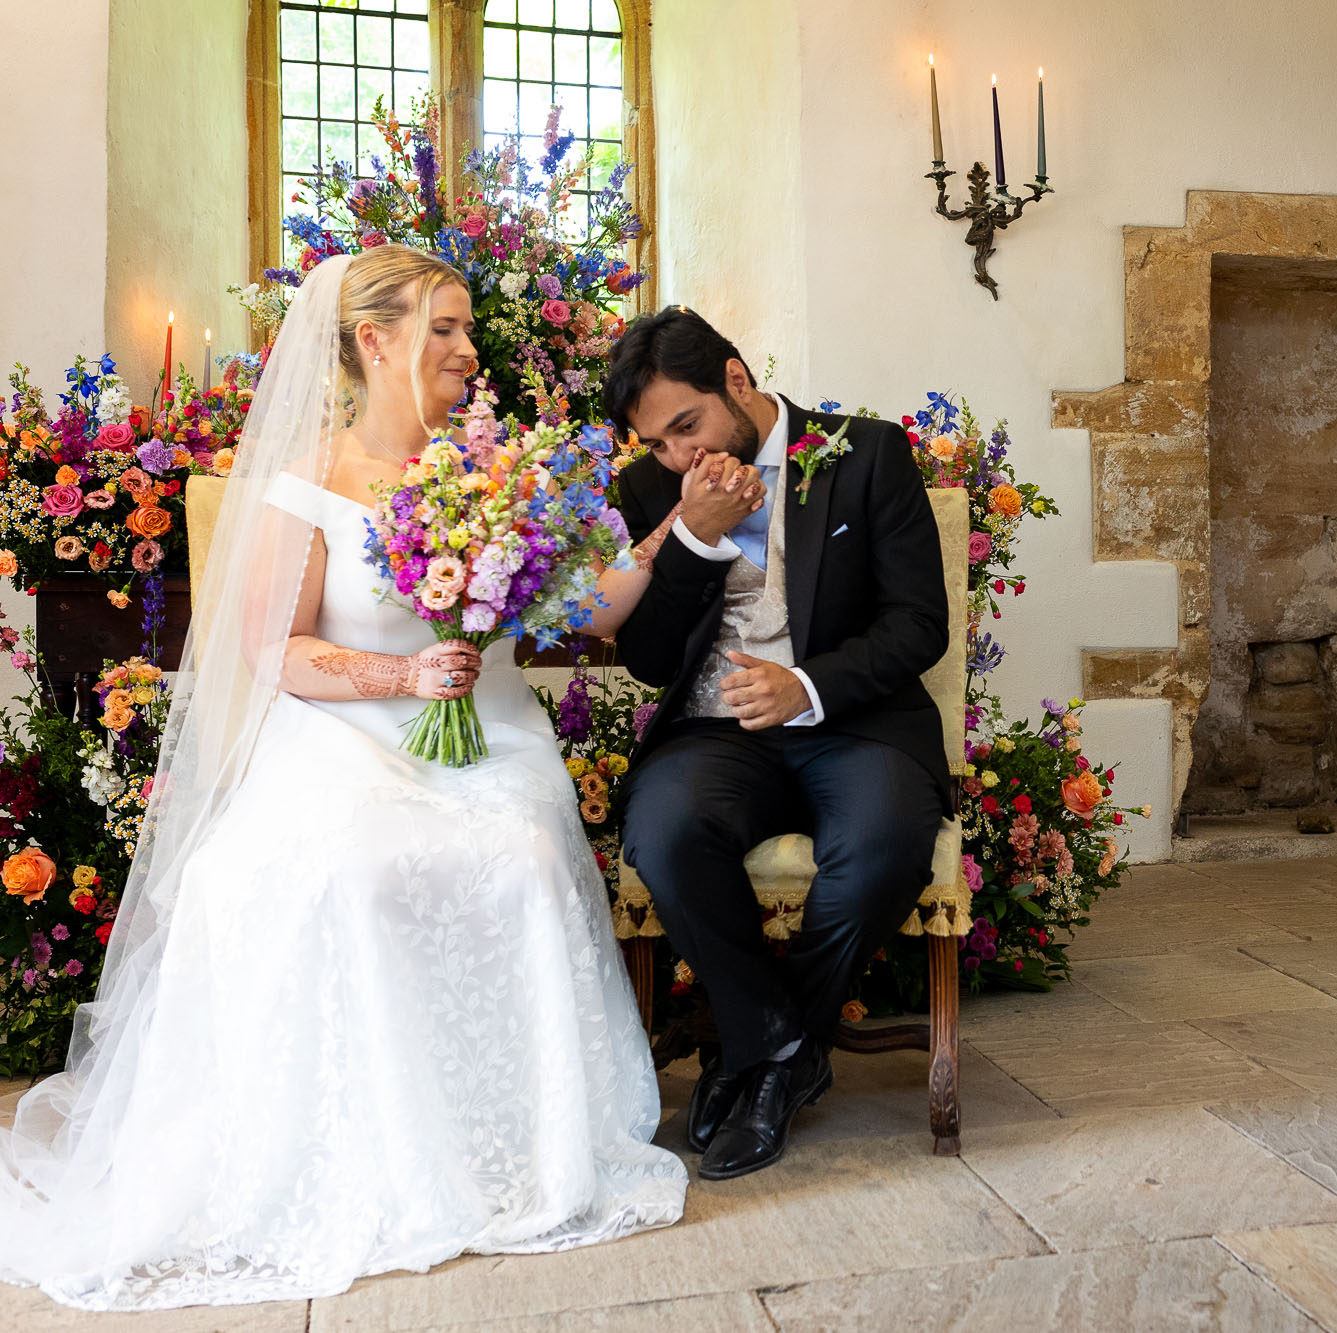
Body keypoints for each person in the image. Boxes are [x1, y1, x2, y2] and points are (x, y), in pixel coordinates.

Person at [0, 246, 686, 1312]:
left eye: (467, 329)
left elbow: (589, 611)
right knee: (351, 867)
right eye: (446, 328)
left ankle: (520, 1149)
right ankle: (365, 1145)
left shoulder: (501, 469)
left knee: (522, 857)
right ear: (375, 340)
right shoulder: (309, 477)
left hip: (489, 735)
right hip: (342, 732)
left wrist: (677, 537)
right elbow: (276, 651)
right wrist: (402, 671)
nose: (468, 350)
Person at [602, 309, 949, 1181]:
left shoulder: (867, 452)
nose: (678, 455)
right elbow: (648, 661)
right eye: (657, 441)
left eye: (688, 425)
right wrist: (695, 535)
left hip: (856, 722)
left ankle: (758, 1063)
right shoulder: (654, 488)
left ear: (739, 382)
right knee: (668, 832)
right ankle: (782, 1048)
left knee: (878, 848)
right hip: (717, 734)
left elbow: (918, 624)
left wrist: (810, 683)